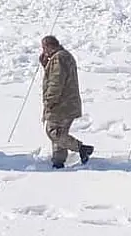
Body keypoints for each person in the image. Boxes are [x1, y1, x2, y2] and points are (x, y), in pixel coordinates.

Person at [39, 36, 93, 169]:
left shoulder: (59, 58)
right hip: (67, 104)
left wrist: (50, 100)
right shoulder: (63, 56)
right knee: (59, 131)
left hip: (62, 104)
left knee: (53, 132)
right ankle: (58, 161)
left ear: (49, 46)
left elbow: (56, 81)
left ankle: (81, 148)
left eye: (44, 48)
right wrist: (46, 65)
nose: (43, 51)